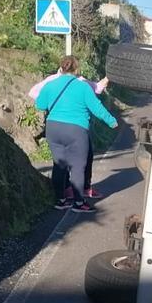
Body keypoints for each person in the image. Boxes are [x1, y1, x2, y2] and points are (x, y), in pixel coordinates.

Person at [34, 55, 118, 212]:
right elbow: (97, 108)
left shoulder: (50, 84)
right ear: (76, 69)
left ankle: (60, 201)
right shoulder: (83, 87)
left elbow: (40, 104)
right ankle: (78, 203)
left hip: (53, 128)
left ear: (61, 68)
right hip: (76, 130)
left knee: (59, 165)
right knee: (78, 167)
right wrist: (111, 121)